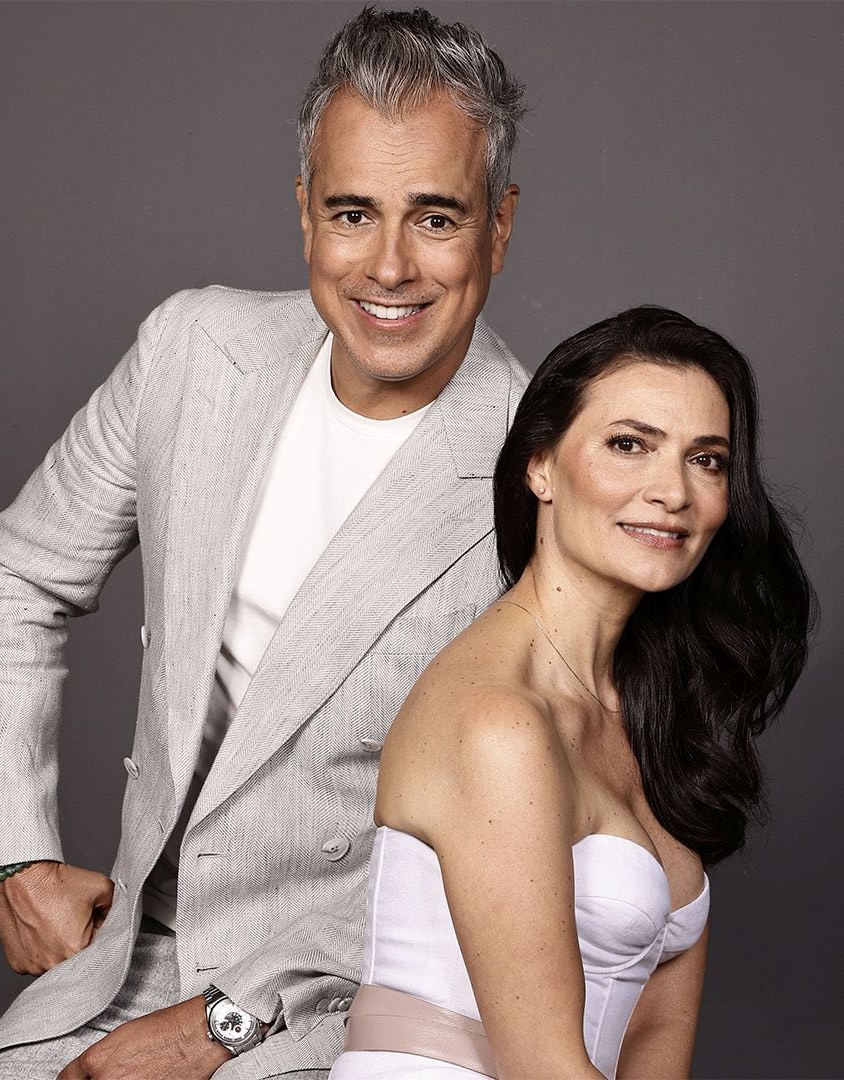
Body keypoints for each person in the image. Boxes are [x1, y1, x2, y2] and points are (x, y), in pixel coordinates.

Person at [0, 8, 528, 1080]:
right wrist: (14, 853)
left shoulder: (542, 469)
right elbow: (20, 574)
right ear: (305, 213)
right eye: (353, 212)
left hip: (360, 997)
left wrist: (215, 1026)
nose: (389, 266)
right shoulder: (194, 350)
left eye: (436, 217)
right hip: (133, 954)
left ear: (499, 225)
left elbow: (518, 852)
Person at [328, 306, 816, 1079]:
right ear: (541, 466)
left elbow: (655, 1038)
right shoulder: (497, 720)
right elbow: (545, 1069)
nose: (673, 491)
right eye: (629, 445)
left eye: (707, 459)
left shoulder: (652, 716)